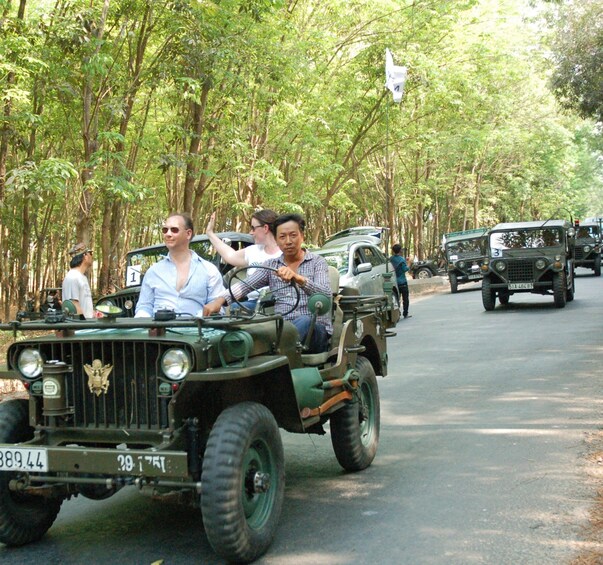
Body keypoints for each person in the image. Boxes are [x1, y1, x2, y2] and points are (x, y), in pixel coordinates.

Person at [204, 213, 332, 353]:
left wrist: (298, 279)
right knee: (247, 327)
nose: (288, 241)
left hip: (315, 331)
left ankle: (274, 354)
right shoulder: (271, 265)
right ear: (276, 240)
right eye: (282, 237)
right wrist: (219, 301)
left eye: (293, 235)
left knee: (305, 320)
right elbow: (245, 285)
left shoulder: (317, 262)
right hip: (281, 328)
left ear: (302, 236)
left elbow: (325, 295)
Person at [135, 212, 225, 318]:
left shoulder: (209, 270)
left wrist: (199, 318)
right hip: (158, 332)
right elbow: (144, 306)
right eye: (165, 230)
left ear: (188, 234)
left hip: (197, 331)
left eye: (174, 230)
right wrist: (145, 326)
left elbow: (217, 307)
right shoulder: (153, 271)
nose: (168, 234)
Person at [206, 209, 282, 309]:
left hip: (278, 302)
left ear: (265, 228)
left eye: (253, 228)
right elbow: (230, 255)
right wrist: (210, 233)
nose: (251, 233)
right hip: (253, 304)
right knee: (232, 309)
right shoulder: (253, 250)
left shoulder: (285, 253)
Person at [62, 243, 95, 318]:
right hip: (79, 327)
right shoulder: (73, 277)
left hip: (86, 325)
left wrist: (93, 314)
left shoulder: (82, 277)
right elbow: (74, 306)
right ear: (85, 256)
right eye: (90, 253)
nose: (92, 256)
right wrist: (84, 326)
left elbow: (84, 304)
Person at [390, 243, 411, 319]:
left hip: (394, 282)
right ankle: (405, 313)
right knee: (405, 298)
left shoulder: (391, 259)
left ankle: (397, 313)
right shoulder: (402, 259)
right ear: (400, 250)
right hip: (402, 282)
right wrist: (409, 263)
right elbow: (405, 269)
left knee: (396, 298)